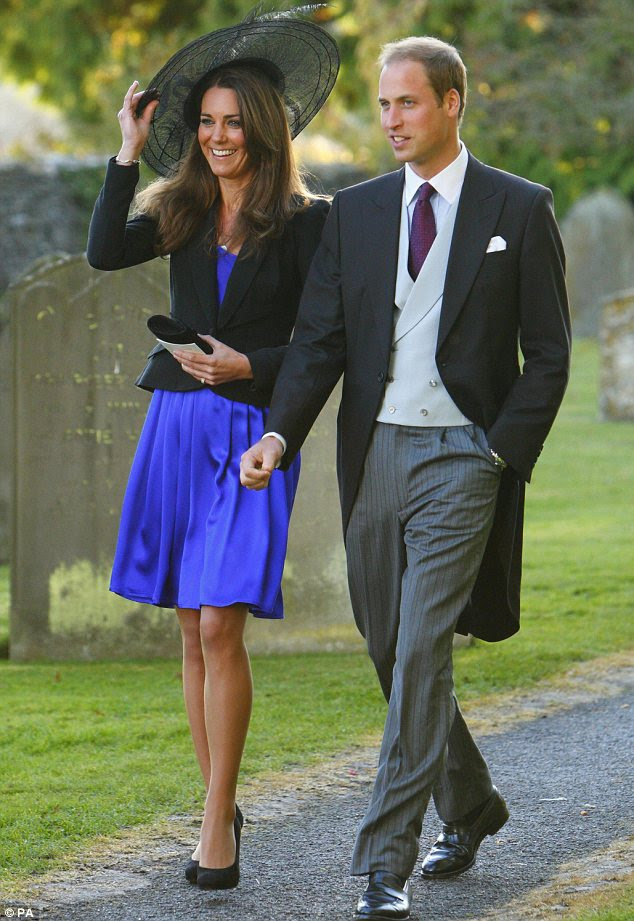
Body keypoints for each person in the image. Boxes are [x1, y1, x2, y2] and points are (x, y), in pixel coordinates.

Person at [241, 35, 571, 920]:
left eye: (408, 103)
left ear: (454, 102)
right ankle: (471, 804)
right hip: (375, 453)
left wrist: (500, 450)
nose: (391, 120)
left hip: (465, 458)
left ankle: (381, 865)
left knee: (424, 645)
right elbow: (319, 343)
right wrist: (278, 434)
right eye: (384, 105)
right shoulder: (357, 213)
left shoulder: (518, 205)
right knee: (391, 649)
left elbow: (549, 355)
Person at [86, 9, 338, 893]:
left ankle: (214, 823)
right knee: (191, 627)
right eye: (207, 122)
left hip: (252, 436)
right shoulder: (182, 209)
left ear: (263, 128)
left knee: (223, 617)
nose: (219, 136)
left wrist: (249, 366)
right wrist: (128, 149)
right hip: (178, 426)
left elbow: (320, 343)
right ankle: (217, 803)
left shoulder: (311, 221)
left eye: (234, 122)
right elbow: (100, 250)